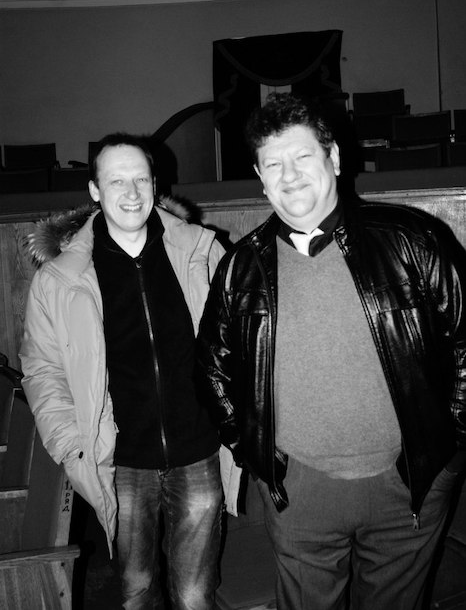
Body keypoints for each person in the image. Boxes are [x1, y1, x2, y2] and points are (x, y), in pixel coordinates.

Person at [196, 93, 466, 610]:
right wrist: (255, 455)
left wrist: (449, 449)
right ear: (260, 177)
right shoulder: (240, 268)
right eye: (273, 164)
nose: (290, 175)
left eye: (303, 156)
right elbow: (211, 371)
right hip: (300, 488)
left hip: (410, 479)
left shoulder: (413, 239)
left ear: (335, 158)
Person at [20, 133, 224, 610]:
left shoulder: (200, 252)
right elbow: (42, 370)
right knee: (135, 590)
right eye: (116, 181)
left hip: (198, 449)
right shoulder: (60, 279)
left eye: (141, 180)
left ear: (155, 184)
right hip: (120, 462)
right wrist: (72, 445)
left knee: (196, 595)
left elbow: (234, 343)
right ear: (94, 190)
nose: (131, 193)